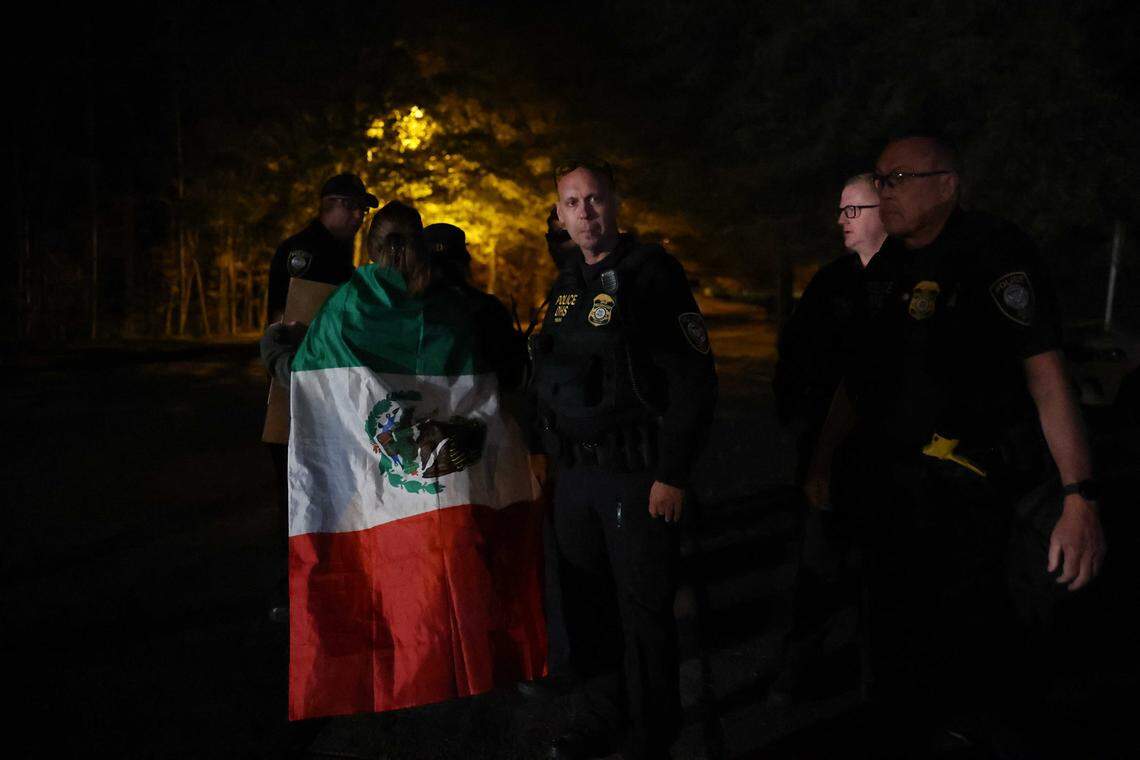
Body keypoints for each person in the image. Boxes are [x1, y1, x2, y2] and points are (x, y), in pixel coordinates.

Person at [806, 135, 1107, 754]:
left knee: (990, 665)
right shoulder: (884, 267)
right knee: (896, 653)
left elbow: (1047, 380)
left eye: (899, 178)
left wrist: (1080, 497)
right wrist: (824, 461)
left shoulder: (994, 253)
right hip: (899, 497)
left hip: (984, 499)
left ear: (947, 184)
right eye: (880, 180)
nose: (883, 190)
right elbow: (856, 381)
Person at [530, 157, 717, 760]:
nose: (584, 213)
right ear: (558, 214)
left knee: (642, 612)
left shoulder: (652, 275)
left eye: (594, 200)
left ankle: (652, 732)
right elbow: (549, 377)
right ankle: (601, 715)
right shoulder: (565, 285)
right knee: (586, 605)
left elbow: (693, 380)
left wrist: (673, 474)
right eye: (572, 203)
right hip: (575, 476)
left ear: (614, 204)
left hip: (635, 475)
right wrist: (541, 452)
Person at [769, 172, 888, 704]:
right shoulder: (832, 281)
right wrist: (798, 420)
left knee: (882, 577)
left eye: (853, 210)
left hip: (889, 458)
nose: (842, 220)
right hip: (826, 452)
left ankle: (878, 682)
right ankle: (799, 669)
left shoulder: (913, 281)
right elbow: (793, 355)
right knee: (816, 568)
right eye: (841, 209)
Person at [263, 172, 378, 622]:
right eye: (355, 208)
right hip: (300, 388)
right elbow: (287, 318)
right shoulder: (306, 254)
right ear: (334, 205)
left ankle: (316, 586)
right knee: (298, 496)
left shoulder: (338, 255)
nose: (359, 217)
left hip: (327, 392)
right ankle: (290, 592)